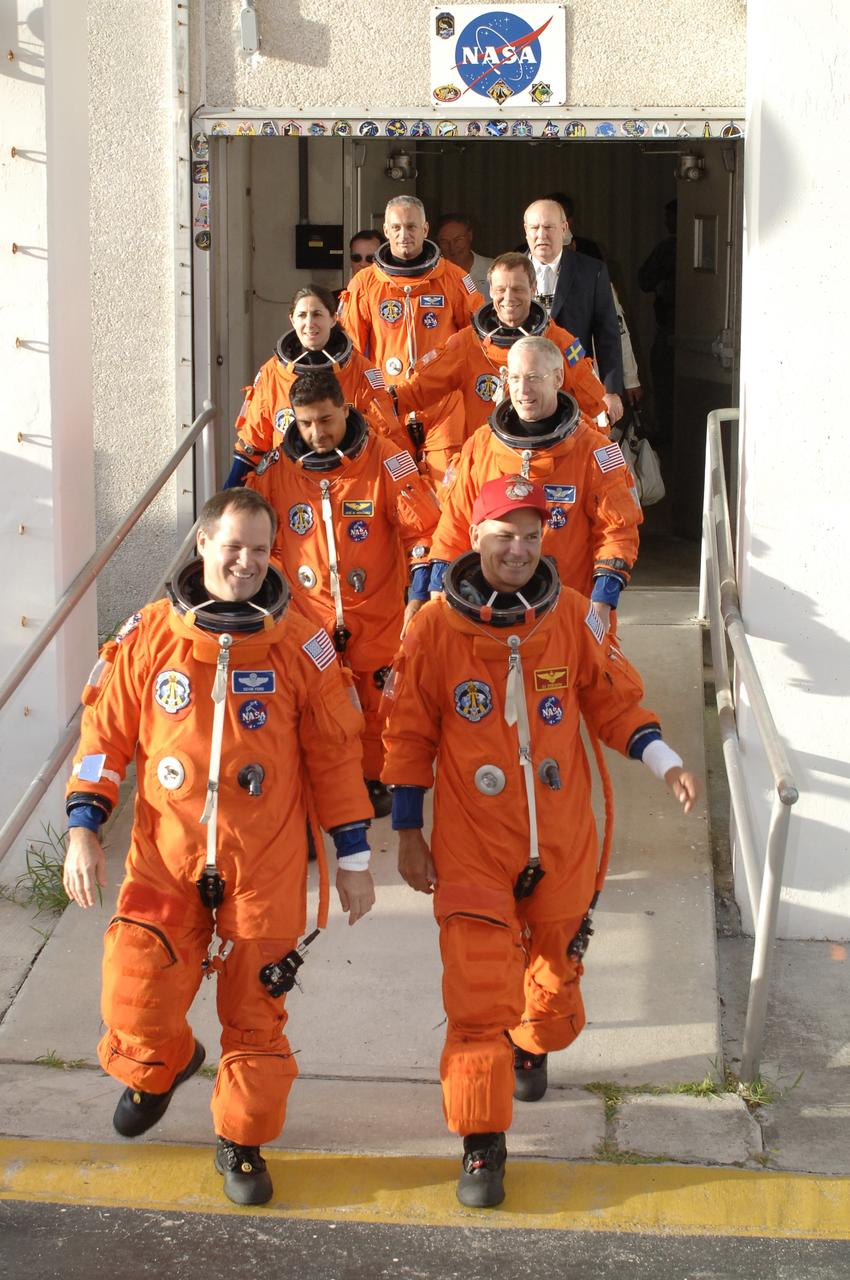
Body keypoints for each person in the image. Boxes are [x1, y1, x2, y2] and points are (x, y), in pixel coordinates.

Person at [382, 474, 699, 1207]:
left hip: (561, 843)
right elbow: (407, 734)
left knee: (551, 998)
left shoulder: (575, 618)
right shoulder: (433, 628)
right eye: (503, 535)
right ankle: (481, 1144)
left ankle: (532, 1040)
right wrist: (406, 829)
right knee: (474, 996)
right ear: (476, 539)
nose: (518, 549)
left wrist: (665, 759)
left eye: (531, 536)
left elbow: (616, 702)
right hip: (472, 847)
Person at [62, 487, 376, 1208]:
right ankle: (161, 1063)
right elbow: (103, 739)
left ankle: (242, 1141)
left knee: (257, 1015)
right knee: (134, 994)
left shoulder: (302, 642)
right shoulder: (146, 635)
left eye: (261, 550)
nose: (245, 561)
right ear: (202, 544)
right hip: (164, 860)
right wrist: (84, 826)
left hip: (260, 866)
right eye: (232, 546)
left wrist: (354, 859)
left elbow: (335, 754)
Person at [245, 369, 440, 817]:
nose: (317, 433)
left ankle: (374, 778)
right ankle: (319, 782)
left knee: (378, 701)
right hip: (309, 615)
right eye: (306, 423)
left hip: (379, 612)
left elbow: (423, 530)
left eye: (326, 420)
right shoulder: (276, 471)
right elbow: (267, 545)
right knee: (315, 704)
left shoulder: (386, 460)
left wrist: (419, 596)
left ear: (345, 409)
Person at [428, 337, 642, 637]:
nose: (522, 390)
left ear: (557, 378)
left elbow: (618, 531)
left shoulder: (594, 451)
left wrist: (602, 603)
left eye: (533, 378)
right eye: (514, 378)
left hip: (569, 615)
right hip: (491, 614)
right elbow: (454, 525)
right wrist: (437, 593)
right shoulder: (482, 445)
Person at [339, 195, 484, 483]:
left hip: (443, 404)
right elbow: (351, 354)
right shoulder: (365, 284)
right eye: (397, 228)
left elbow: (478, 342)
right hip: (388, 404)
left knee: (447, 485)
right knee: (396, 489)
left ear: (425, 230)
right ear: (386, 229)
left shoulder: (454, 279)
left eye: (411, 227)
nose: (404, 235)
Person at [391, 253, 608, 441]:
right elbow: (420, 388)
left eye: (517, 289)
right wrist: (382, 404)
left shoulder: (558, 343)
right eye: (501, 289)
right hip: (488, 457)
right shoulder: (469, 343)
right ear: (491, 291)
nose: (508, 298)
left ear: (533, 289)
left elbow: (594, 407)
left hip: (545, 458)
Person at [226, 284, 403, 488]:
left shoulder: (362, 371)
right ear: (292, 319)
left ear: (333, 318)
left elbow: (386, 436)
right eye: (302, 315)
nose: (309, 323)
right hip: (290, 485)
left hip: (350, 485)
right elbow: (252, 444)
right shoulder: (272, 373)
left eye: (317, 314)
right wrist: (227, 498)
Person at [523, 198, 624, 424]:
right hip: (523, 390)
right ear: (526, 231)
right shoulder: (511, 270)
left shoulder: (591, 270)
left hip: (577, 383)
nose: (542, 234)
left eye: (549, 227)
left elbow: (607, 335)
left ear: (564, 228)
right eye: (535, 227)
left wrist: (610, 390)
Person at [638, 199, 677, 446]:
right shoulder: (667, 247)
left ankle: (668, 433)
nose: (667, 223)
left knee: (665, 384)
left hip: (673, 327)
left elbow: (645, 279)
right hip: (668, 325)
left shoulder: (670, 248)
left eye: (670, 217)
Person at [435, 213, 493, 300]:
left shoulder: (493, 269)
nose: (452, 247)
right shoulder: (432, 275)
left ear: (470, 236)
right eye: (445, 242)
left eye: (458, 239)